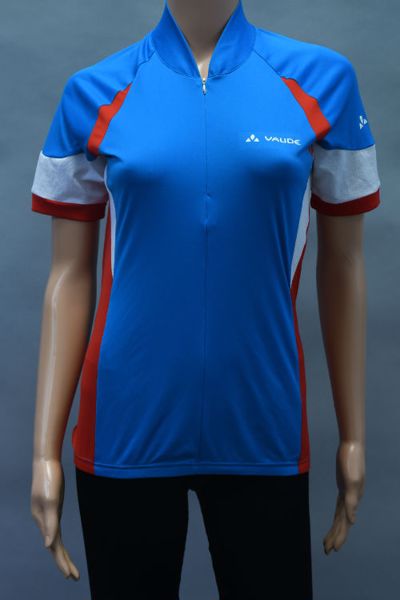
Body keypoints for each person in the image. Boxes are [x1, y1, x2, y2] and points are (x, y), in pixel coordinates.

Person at [30, 0, 381, 598]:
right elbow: (69, 275)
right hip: (124, 427)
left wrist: (354, 437)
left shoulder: (322, 81)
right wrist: (45, 452)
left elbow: (343, 266)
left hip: (262, 425)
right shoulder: (95, 91)